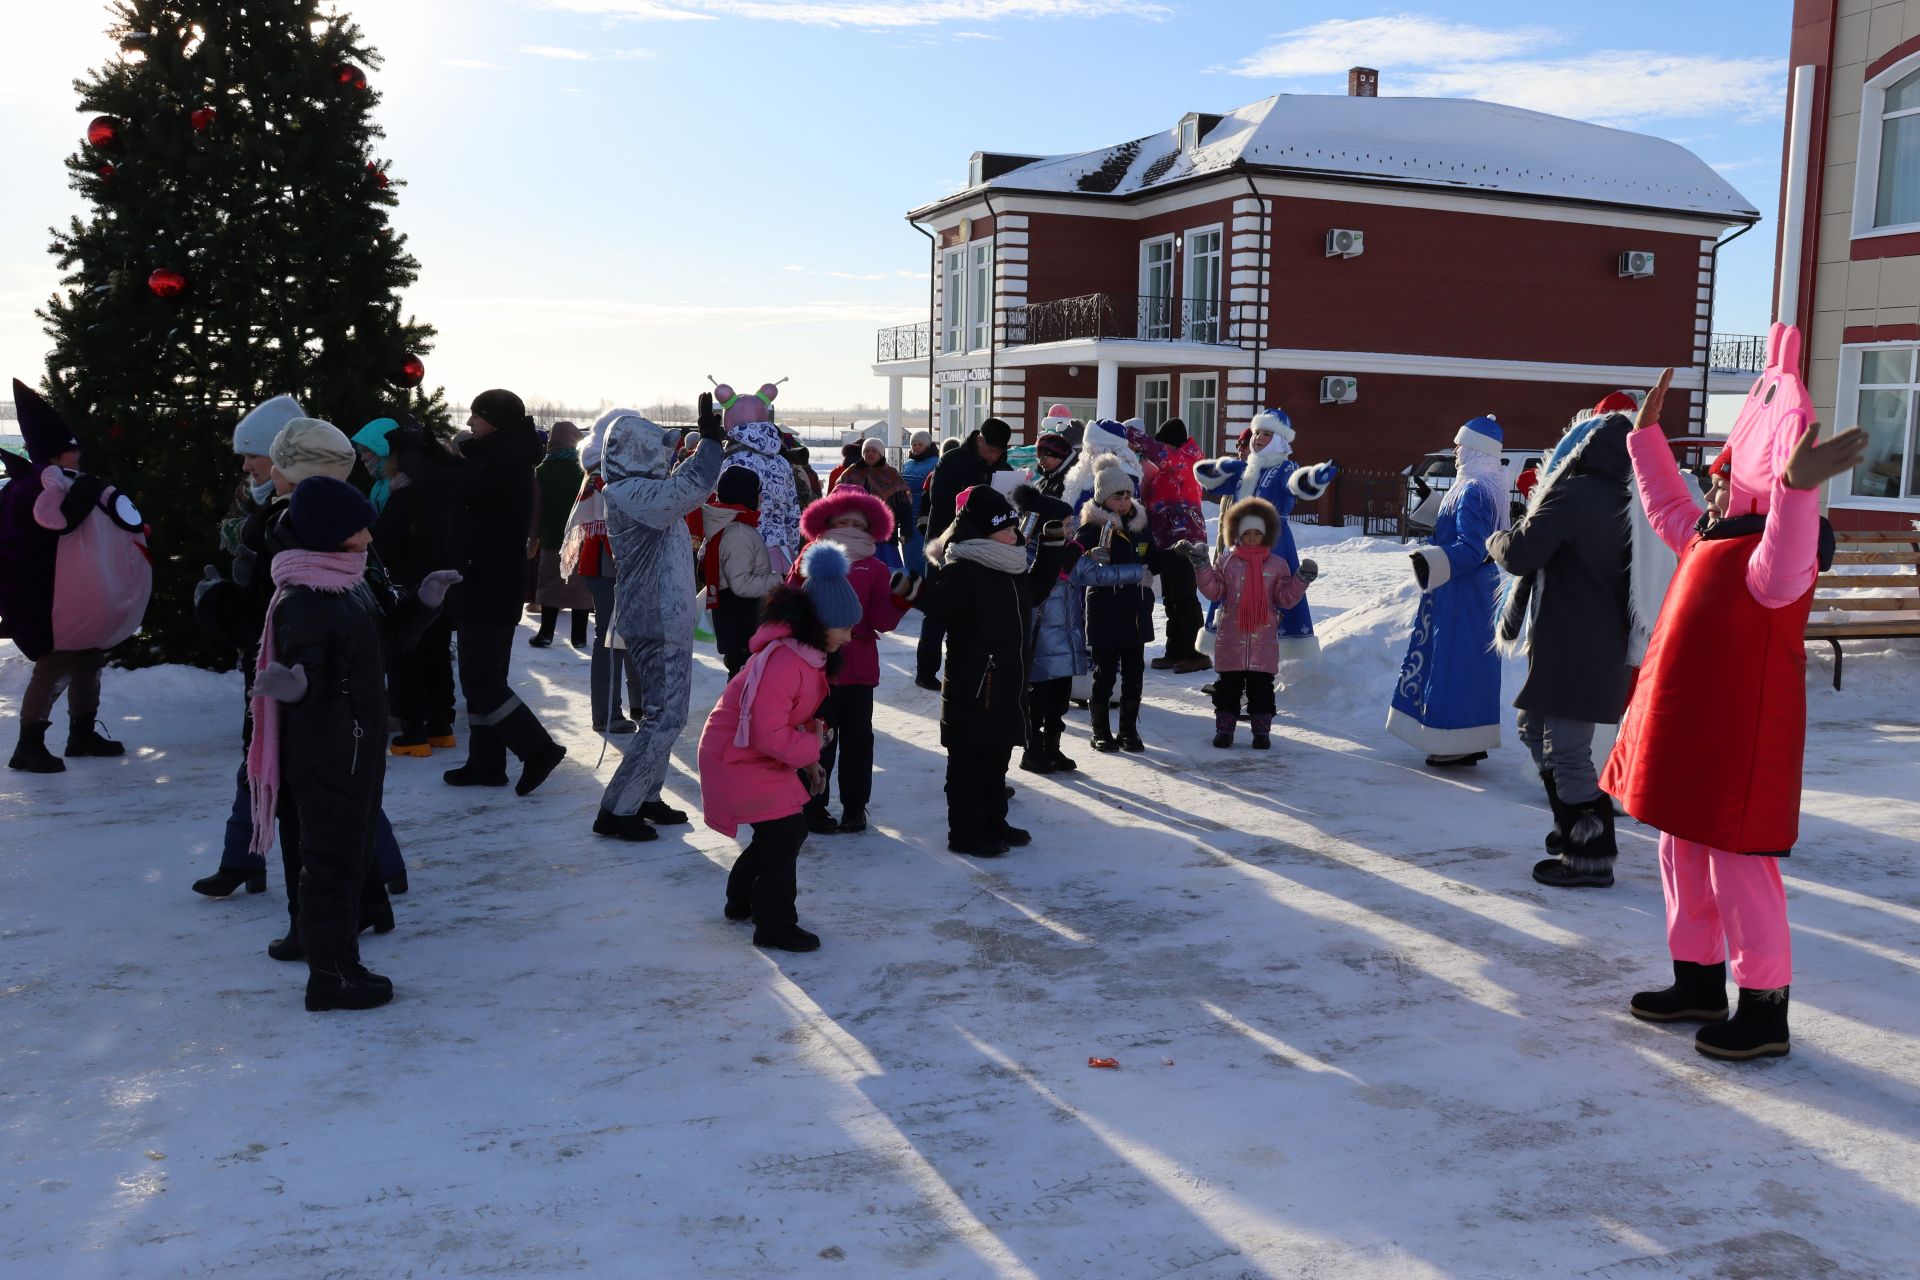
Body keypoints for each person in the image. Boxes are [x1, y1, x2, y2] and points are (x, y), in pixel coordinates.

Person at [1605, 348, 1865, 1060]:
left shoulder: (1773, 561)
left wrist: (1795, 491)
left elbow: (1786, 545)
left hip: (1739, 745)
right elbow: (1665, 505)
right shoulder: (1706, 540)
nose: (1710, 492)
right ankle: (1697, 981)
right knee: (1679, 853)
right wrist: (1645, 438)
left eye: (1720, 482)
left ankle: (1764, 1008)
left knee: (1739, 869)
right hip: (1689, 737)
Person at [246, 476, 457, 1011]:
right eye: (356, 528)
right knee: (334, 860)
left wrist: (424, 602)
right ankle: (332, 975)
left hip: (352, 742)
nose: (368, 536)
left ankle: (313, 944)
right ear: (327, 535)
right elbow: (309, 673)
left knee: (334, 852)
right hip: (329, 749)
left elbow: (382, 644)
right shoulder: (308, 597)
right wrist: (294, 686)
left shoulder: (347, 581)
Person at [1489, 396, 1660, 889]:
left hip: (1573, 644)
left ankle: (1590, 851)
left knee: (1567, 750)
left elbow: (1521, 553)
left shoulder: (1576, 495)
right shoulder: (1631, 503)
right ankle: (1571, 821)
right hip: (1600, 643)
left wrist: (1496, 540)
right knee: (1532, 728)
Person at [892, 484, 1077, 856]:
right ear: (982, 532)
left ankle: (994, 822)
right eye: (1006, 530)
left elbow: (1037, 590)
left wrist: (1052, 547)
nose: (1016, 535)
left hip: (1007, 682)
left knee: (996, 761)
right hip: (974, 686)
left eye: (1014, 528)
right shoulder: (964, 568)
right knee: (968, 767)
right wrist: (913, 590)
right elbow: (942, 604)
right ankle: (965, 834)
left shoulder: (1010, 565)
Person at [697, 544, 859, 953]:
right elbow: (767, 733)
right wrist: (809, 751)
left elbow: (786, 719)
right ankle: (774, 924)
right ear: (821, 624)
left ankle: (741, 900)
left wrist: (809, 756)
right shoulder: (786, 661)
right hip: (734, 754)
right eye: (844, 627)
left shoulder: (808, 656)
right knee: (785, 829)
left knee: (778, 830)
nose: (850, 636)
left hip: (749, 751)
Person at [592, 398, 726, 842]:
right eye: (658, 449)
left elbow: (681, 486)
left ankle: (646, 795)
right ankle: (618, 808)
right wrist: (708, 444)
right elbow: (689, 489)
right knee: (664, 716)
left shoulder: (639, 490)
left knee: (666, 713)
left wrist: (706, 444)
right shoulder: (630, 493)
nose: (665, 455)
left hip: (663, 615)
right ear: (635, 452)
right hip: (654, 617)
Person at [3, 380, 150, 772]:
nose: (79, 460)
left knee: (88, 658)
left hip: (75, 597)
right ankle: (28, 743)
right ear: (55, 455)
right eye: (73, 453)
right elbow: (50, 529)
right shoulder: (35, 487)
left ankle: (81, 733)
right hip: (49, 597)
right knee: (55, 663)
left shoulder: (64, 482)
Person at [432, 389, 566, 795]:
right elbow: (462, 477)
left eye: (476, 416)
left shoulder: (503, 462)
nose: (470, 423)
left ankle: (537, 748)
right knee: (481, 677)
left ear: (494, 419)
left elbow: (454, 487)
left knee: (481, 680)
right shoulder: (498, 456)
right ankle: (486, 762)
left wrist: (423, 455)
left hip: (488, 585)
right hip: (485, 582)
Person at [1387, 416, 1507, 767]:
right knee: (1464, 663)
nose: (1455, 451)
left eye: (1461, 445)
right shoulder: (1479, 484)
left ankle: (1457, 739)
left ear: (1475, 449)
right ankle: (1463, 737)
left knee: (1454, 663)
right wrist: (1434, 508)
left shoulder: (1472, 489)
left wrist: (1431, 560)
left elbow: (1472, 548)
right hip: (1465, 588)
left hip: (1461, 589)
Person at [791, 486, 909, 834]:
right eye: (841, 521)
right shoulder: (810, 557)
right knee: (817, 740)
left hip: (858, 670)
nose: (848, 529)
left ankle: (855, 807)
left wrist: (901, 600)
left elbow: (882, 620)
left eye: (855, 524)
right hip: (817, 670)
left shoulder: (874, 567)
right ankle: (813, 805)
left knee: (858, 743)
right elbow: (790, 605)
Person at [1193, 408, 1336, 661]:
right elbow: (1206, 477)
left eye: (1267, 434)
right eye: (1257, 432)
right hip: (1237, 546)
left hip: (1273, 544)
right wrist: (1219, 467)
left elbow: (1295, 483)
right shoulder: (1244, 469)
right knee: (1231, 597)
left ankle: (1262, 667)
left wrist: (1313, 478)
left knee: (1270, 599)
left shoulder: (1284, 468)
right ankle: (1231, 666)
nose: (1258, 437)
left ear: (1281, 440)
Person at [1025, 485, 1138, 774]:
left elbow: (1098, 574)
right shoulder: (1027, 555)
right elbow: (1037, 588)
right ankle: (1033, 750)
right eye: (1064, 525)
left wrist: (1138, 571)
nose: (1071, 528)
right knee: (1037, 701)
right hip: (1041, 643)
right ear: (1045, 527)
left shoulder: (1071, 553)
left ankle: (1053, 746)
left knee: (1059, 701)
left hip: (1067, 638)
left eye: (1070, 524)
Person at [1191, 498, 1315, 750]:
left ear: (1266, 534)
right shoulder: (1227, 561)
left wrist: (1301, 579)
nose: (1251, 538)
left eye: (1256, 533)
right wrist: (1203, 566)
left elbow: (1285, 599)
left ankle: (1261, 732)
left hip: (1263, 641)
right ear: (1237, 534)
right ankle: (1224, 730)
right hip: (1232, 638)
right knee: (1228, 688)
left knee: (1262, 690)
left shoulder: (1278, 565)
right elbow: (1214, 592)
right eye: (1246, 533)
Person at [376, 421, 459, 757]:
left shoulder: (405, 495)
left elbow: (382, 543)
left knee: (409, 660)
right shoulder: (444, 488)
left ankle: (414, 734)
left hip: (411, 589)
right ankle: (441, 727)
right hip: (444, 585)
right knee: (438, 655)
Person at [915, 417, 1014, 690]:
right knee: (936, 608)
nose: (994, 456)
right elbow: (941, 501)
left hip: (984, 547)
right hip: (944, 544)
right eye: (990, 451)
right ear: (979, 440)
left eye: (999, 452)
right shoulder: (952, 460)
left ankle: (967, 669)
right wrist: (975, 505)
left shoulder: (1003, 467)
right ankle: (926, 670)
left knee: (974, 609)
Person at [560, 413, 640, 732]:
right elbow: (617, 523)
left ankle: (638, 704)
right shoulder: (609, 474)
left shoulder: (602, 471)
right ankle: (607, 713)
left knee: (629, 635)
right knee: (611, 639)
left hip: (609, 563)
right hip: (611, 564)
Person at [1077, 457, 1157, 754]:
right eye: (1117, 496)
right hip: (1104, 612)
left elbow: (1154, 558)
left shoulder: (1141, 525)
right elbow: (1077, 561)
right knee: (1105, 674)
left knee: (1134, 674)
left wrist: (1178, 555)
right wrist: (1087, 554)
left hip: (1136, 610)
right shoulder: (1092, 527)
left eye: (1127, 495)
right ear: (1102, 498)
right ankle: (1099, 731)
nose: (1124, 501)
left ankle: (1128, 730)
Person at [1126, 417, 1209, 672]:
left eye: (1164, 444)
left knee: (1185, 597)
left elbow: (1155, 449)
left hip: (1186, 540)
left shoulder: (1185, 461)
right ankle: (1175, 650)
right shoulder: (1169, 467)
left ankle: (1197, 654)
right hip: (1168, 541)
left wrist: (1123, 432)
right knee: (1172, 598)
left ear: (1172, 444)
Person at [702, 466, 781, 677]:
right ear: (745, 494)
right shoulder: (738, 533)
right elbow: (741, 584)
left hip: (735, 620)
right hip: (742, 621)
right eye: (757, 491)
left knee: (741, 678)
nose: (760, 497)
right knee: (743, 681)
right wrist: (777, 580)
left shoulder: (729, 525)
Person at [714, 383, 801, 570]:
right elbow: (792, 511)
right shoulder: (782, 463)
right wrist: (791, 549)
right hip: (780, 552)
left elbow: (720, 511)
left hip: (742, 551)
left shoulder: (731, 463)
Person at [530, 420, 592, 649]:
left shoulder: (542, 471)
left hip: (551, 538)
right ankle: (579, 636)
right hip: (583, 539)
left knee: (549, 585)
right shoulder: (585, 470)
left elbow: (536, 510)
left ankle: (546, 633)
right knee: (581, 588)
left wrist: (533, 538)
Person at [834, 438, 913, 571]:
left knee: (887, 570)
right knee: (858, 571)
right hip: (855, 531)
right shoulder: (851, 473)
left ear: (881, 453)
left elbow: (903, 506)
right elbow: (836, 498)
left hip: (884, 534)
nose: (870, 453)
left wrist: (906, 530)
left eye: (874, 451)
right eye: (867, 450)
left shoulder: (891, 474)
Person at [899, 429, 941, 574]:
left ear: (928, 446)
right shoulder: (908, 463)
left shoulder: (936, 463)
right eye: (914, 444)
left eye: (920, 444)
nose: (916, 447)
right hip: (908, 517)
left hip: (924, 517)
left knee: (925, 559)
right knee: (910, 559)